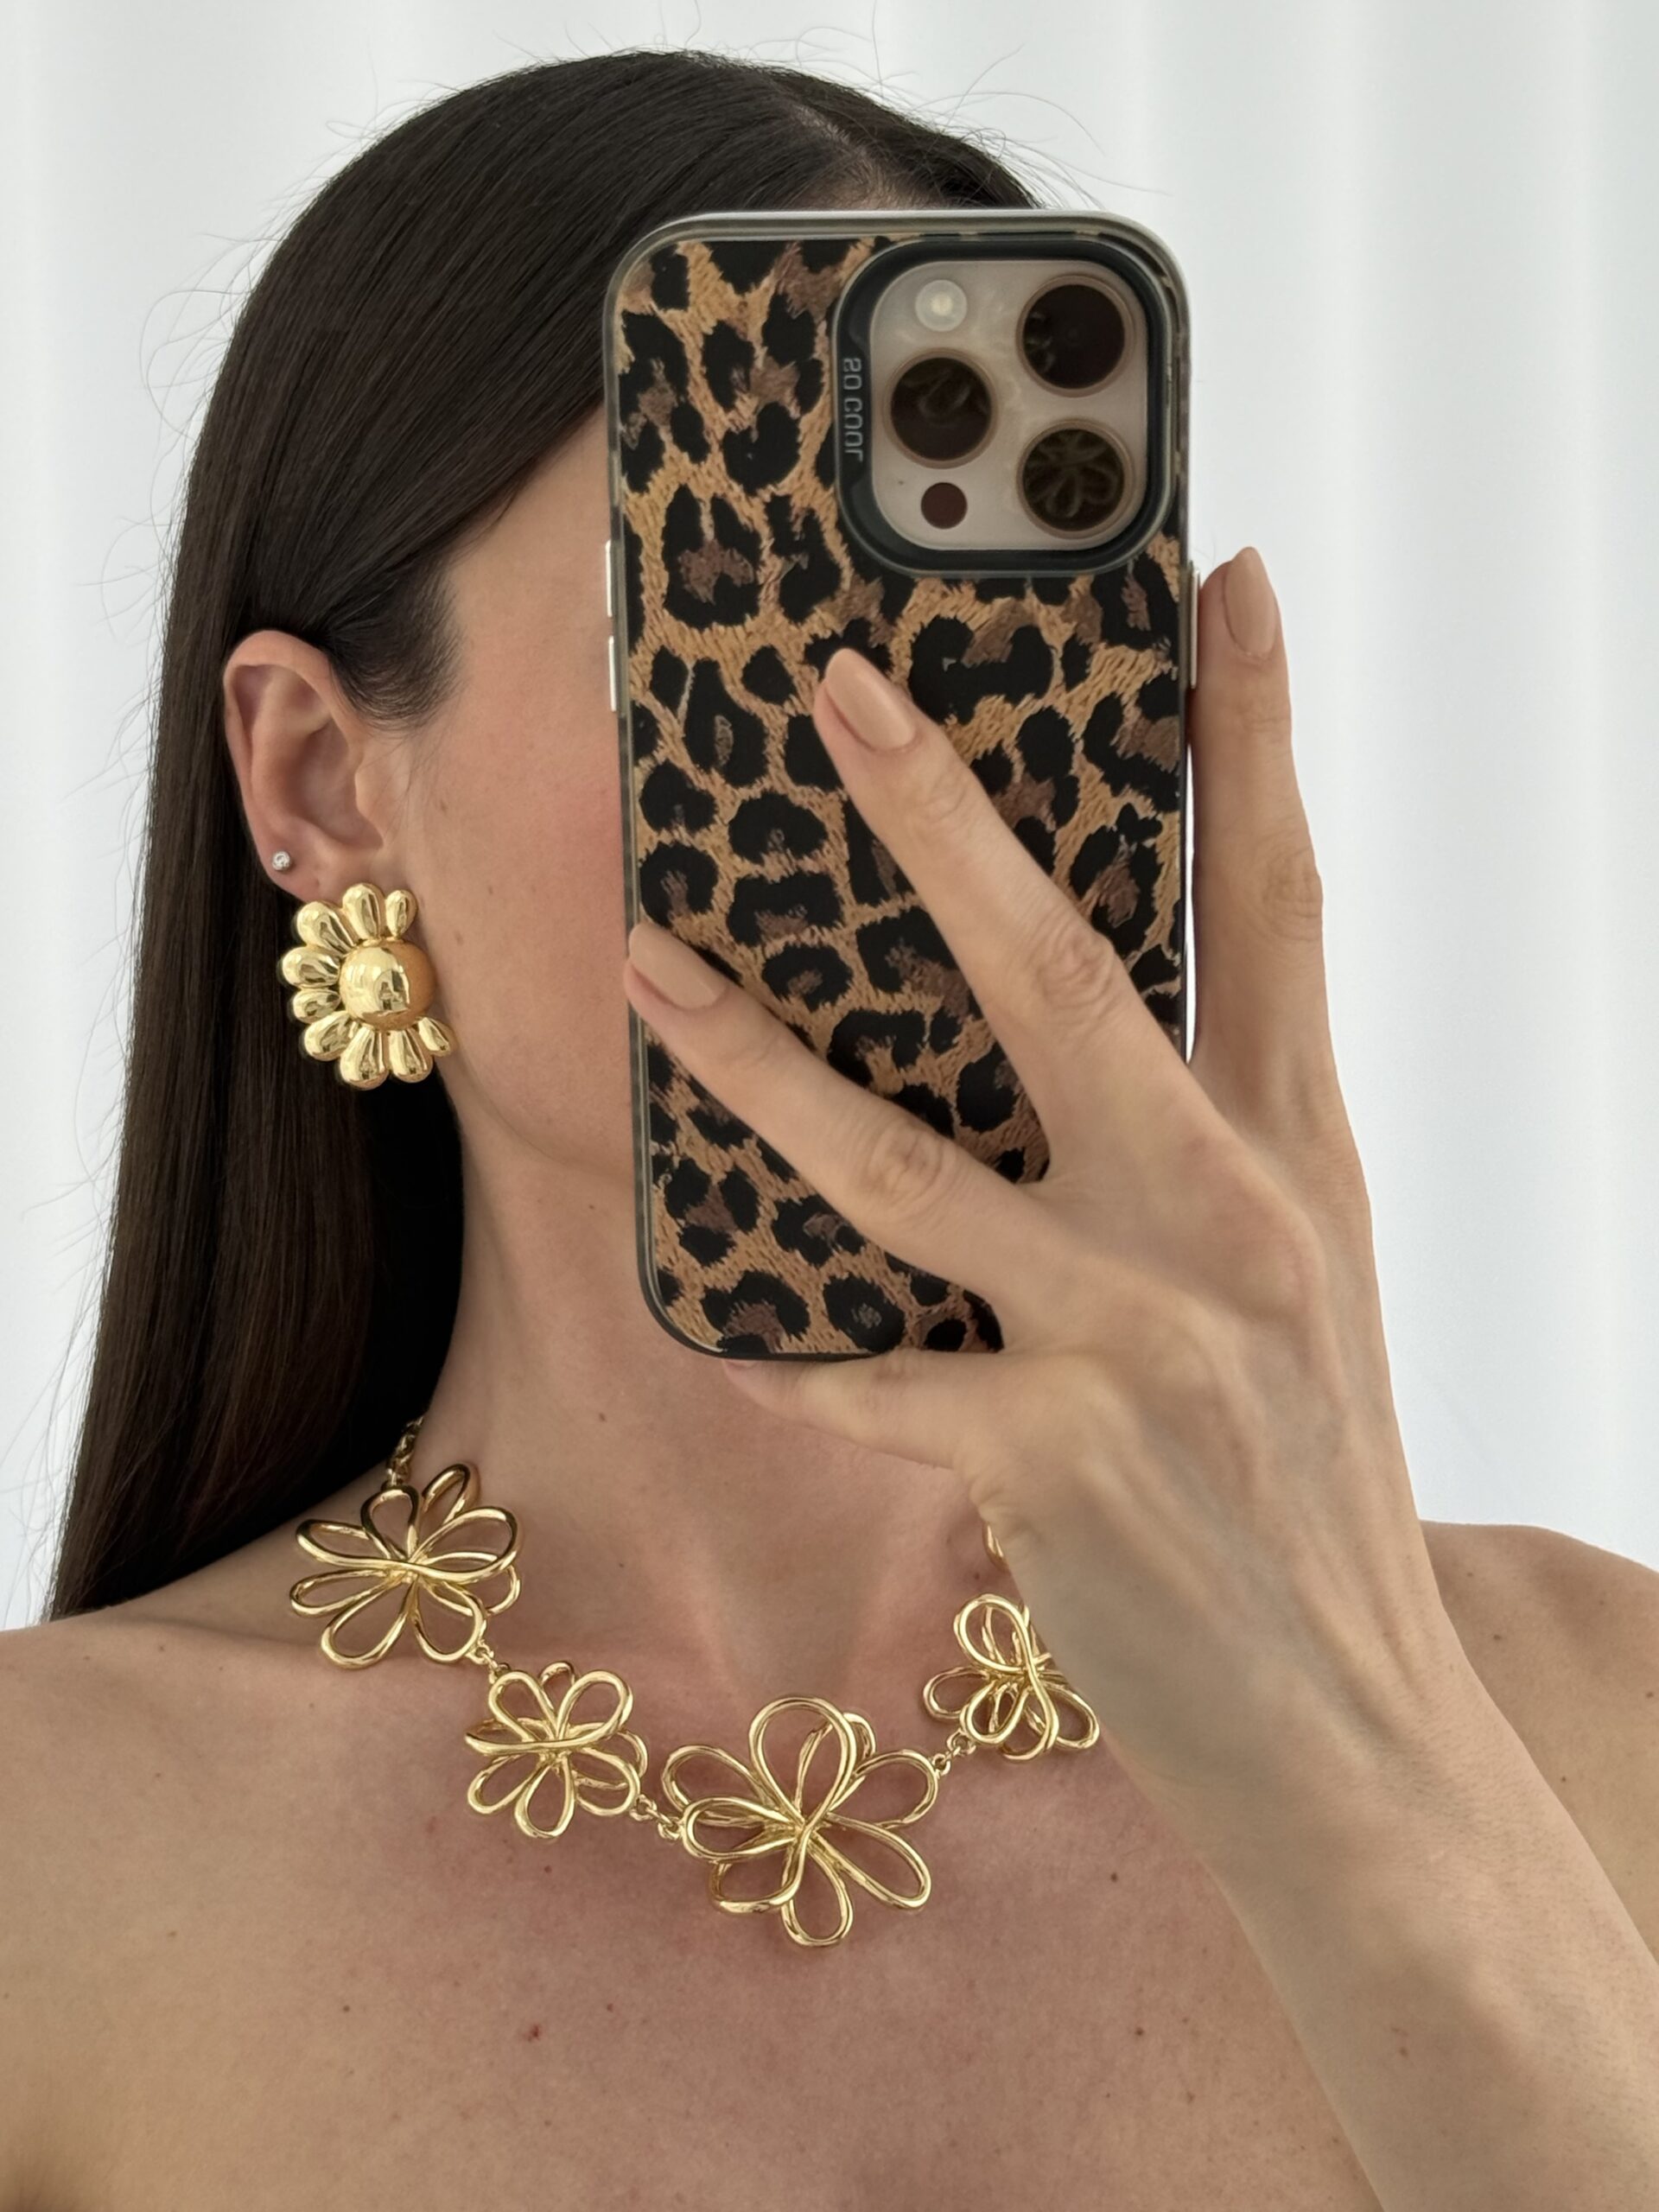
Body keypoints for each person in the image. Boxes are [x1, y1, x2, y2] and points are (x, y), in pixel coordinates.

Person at [3, 48, 1657, 2212]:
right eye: (739, 621)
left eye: (1002, 636)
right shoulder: (54, 1863)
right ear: (323, 775)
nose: (912, 776)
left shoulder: (1598, 1720)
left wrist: (1362, 1766)